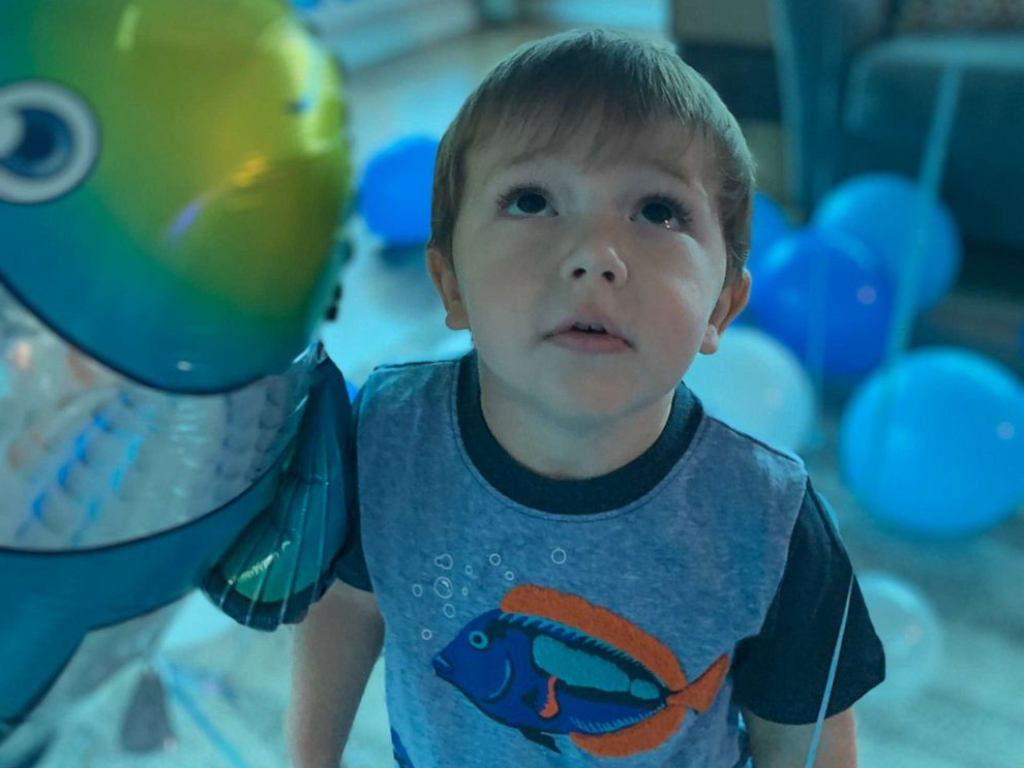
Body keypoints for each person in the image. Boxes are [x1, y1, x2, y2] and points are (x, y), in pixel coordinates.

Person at [287, 28, 885, 768]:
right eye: (532, 199)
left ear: (721, 309)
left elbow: (807, 733)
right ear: (450, 284)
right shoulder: (385, 435)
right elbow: (350, 601)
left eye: (658, 211)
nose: (595, 255)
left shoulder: (767, 519)